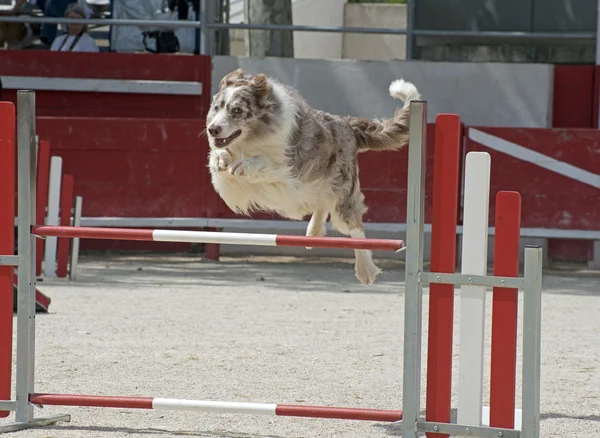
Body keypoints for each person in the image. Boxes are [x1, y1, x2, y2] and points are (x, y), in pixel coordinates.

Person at [9, 0, 91, 46]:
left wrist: (14, 10)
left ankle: (48, 37)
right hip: (52, 7)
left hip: (71, 6)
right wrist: (14, 10)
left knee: (51, 3)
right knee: (51, 3)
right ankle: (49, 36)